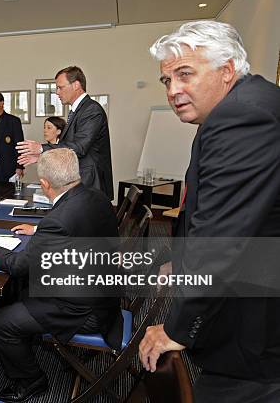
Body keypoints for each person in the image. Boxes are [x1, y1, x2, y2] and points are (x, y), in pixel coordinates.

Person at [138, 21, 280, 402]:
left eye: (185, 74)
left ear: (227, 70)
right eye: (166, 80)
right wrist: (179, 264)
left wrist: (177, 328)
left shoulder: (241, 118)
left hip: (255, 323)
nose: (173, 90)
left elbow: (220, 239)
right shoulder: (241, 107)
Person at [0, 148, 123, 403]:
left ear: (44, 184)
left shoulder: (59, 219)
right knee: (18, 291)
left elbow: (18, 264)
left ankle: (31, 380)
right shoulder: (95, 197)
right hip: (104, 290)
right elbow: (76, 222)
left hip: (84, 310)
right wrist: (40, 229)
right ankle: (21, 344)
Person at [16, 66, 114, 199]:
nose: (57, 92)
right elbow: (68, 146)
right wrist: (42, 157)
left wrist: (40, 148)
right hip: (82, 182)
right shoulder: (78, 110)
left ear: (76, 85)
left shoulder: (91, 110)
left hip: (90, 184)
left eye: (60, 87)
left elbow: (79, 147)